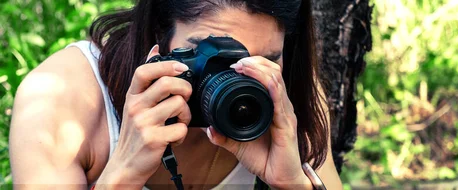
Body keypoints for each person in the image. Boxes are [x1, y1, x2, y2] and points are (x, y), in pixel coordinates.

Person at [9, 0, 342, 189]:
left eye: (266, 60)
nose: (241, 80)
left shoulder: (282, 94)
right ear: (158, 37)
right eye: (214, 56)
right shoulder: (61, 96)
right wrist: (122, 175)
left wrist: (292, 184)